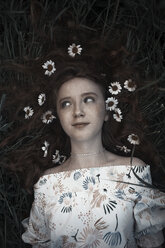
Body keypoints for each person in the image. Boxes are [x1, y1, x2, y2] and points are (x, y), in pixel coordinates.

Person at [1, 25, 165, 247]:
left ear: (106, 111)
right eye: (66, 103)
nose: (77, 111)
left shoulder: (132, 171)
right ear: (57, 115)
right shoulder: (47, 184)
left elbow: (151, 243)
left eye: (88, 99)